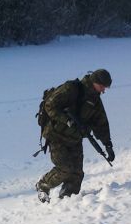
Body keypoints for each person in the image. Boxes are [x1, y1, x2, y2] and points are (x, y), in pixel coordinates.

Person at [36, 69, 115, 203]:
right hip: (56, 135)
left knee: (77, 174)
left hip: (74, 138)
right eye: (102, 87)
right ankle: (43, 185)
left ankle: (67, 200)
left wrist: (107, 144)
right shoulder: (72, 89)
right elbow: (50, 105)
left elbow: (101, 123)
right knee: (65, 168)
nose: (103, 91)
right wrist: (66, 120)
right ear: (95, 82)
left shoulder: (95, 99)